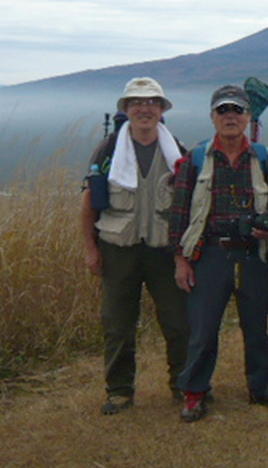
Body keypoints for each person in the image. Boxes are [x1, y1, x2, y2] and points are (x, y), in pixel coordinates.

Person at [170, 85, 268, 422]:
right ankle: (195, 392)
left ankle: (263, 387)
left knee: (256, 326)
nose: (230, 117)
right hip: (209, 253)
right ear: (212, 117)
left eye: (237, 111)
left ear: (247, 116)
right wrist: (181, 259)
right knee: (204, 328)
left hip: (254, 253)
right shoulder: (196, 160)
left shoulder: (262, 156)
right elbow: (179, 212)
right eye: (223, 111)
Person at [81, 77, 189, 414]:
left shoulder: (179, 154)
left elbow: (189, 207)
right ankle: (119, 391)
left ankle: (185, 387)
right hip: (118, 249)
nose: (145, 108)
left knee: (178, 322)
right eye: (137, 103)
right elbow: (89, 205)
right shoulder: (109, 150)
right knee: (117, 324)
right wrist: (91, 249)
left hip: (164, 250)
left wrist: (185, 255)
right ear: (126, 110)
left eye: (152, 102)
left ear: (161, 110)